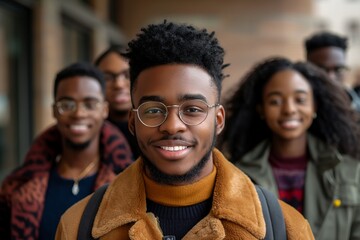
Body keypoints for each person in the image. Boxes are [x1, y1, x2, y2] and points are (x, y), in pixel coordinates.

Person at [56, 21, 314, 239]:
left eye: (192, 109)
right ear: (133, 122)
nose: (172, 126)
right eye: (153, 110)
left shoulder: (286, 228)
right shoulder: (78, 226)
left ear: (219, 119)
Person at [218, 57, 360, 239]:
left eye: (300, 99)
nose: (289, 109)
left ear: (314, 105)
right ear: (261, 109)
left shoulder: (350, 170)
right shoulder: (237, 175)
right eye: (275, 101)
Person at [0, 62, 134, 239]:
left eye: (90, 104)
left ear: (104, 110)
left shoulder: (130, 183)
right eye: (67, 104)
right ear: (54, 111)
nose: (78, 113)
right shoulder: (17, 188)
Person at [95, 45, 140, 159]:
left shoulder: (158, 126)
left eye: (128, 75)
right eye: (108, 78)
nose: (118, 84)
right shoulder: (89, 131)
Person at [304, 31, 360, 112]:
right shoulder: (298, 112)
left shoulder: (356, 106)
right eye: (321, 70)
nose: (331, 77)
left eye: (338, 69)